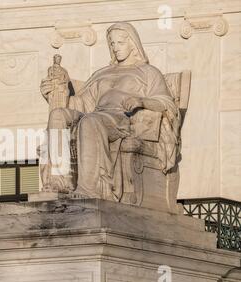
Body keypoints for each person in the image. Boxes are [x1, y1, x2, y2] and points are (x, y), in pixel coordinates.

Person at [40, 22, 180, 201]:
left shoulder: (148, 72)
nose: (115, 48)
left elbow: (166, 103)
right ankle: (60, 181)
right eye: (112, 44)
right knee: (58, 115)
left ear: (132, 43)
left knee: (90, 122)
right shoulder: (102, 73)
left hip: (123, 119)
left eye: (120, 43)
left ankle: (89, 189)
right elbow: (81, 104)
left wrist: (141, 101)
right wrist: (58, 92)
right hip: (96, 114)